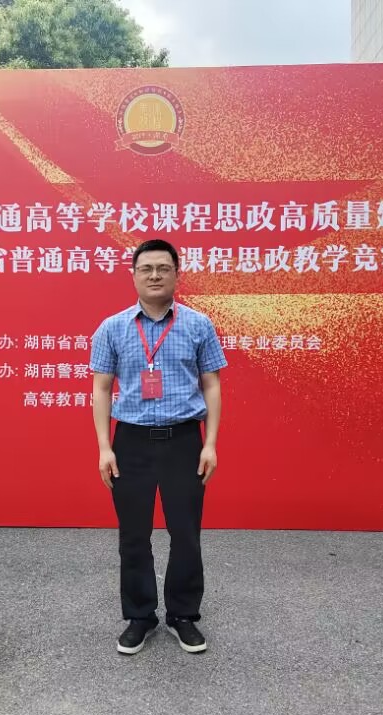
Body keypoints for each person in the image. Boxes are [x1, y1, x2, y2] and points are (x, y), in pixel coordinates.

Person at [89, 238, 227, 655]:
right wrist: (104, 447)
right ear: (133, 275)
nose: (154, 276)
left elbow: (212, 384)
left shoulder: (198, 325)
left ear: (176, 275)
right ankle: (140, 615)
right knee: (134, 535)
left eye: (163, 268)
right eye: (146, 268)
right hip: (130, 442)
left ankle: (183, 615)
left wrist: (210, 443)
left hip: (184, 441)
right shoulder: (112, 328)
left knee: (185, 533)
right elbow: (101, 388)